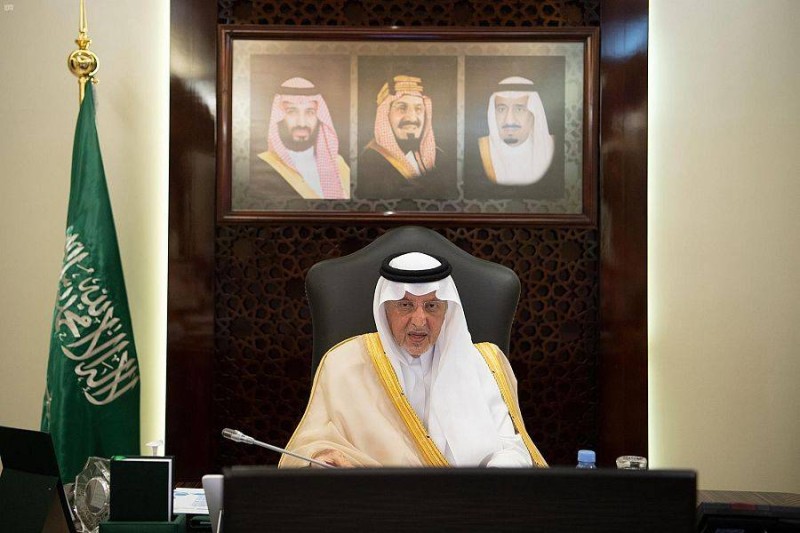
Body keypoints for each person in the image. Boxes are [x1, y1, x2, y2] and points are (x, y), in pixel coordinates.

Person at [279, 252, 547, 468]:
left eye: (431, 306)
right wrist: (321, 461)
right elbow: (311, 446)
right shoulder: (344, 363)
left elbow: (512, 448)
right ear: (385, 309)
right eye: (405, 305)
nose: (419, 321)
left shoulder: (484, 363)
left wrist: (487, 483)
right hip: (376, 504)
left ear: (447, 310)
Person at [357, 75, 453, 199]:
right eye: (402, 108)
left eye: (418, 109)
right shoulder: (370, 162)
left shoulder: (440, 158)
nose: (412, 118)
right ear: (385, 114)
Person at [253, 77, 349, 199]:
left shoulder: (338, 164)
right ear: (279, 117)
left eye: (310, 112)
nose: (302, 123)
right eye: (292, 112)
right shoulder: (263, 165)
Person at [478, 76, 555, 186]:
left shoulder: (551, 147)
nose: (509, 120)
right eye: (501, 109)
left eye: (519, 109)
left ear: (533, 114)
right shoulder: (481, 150)